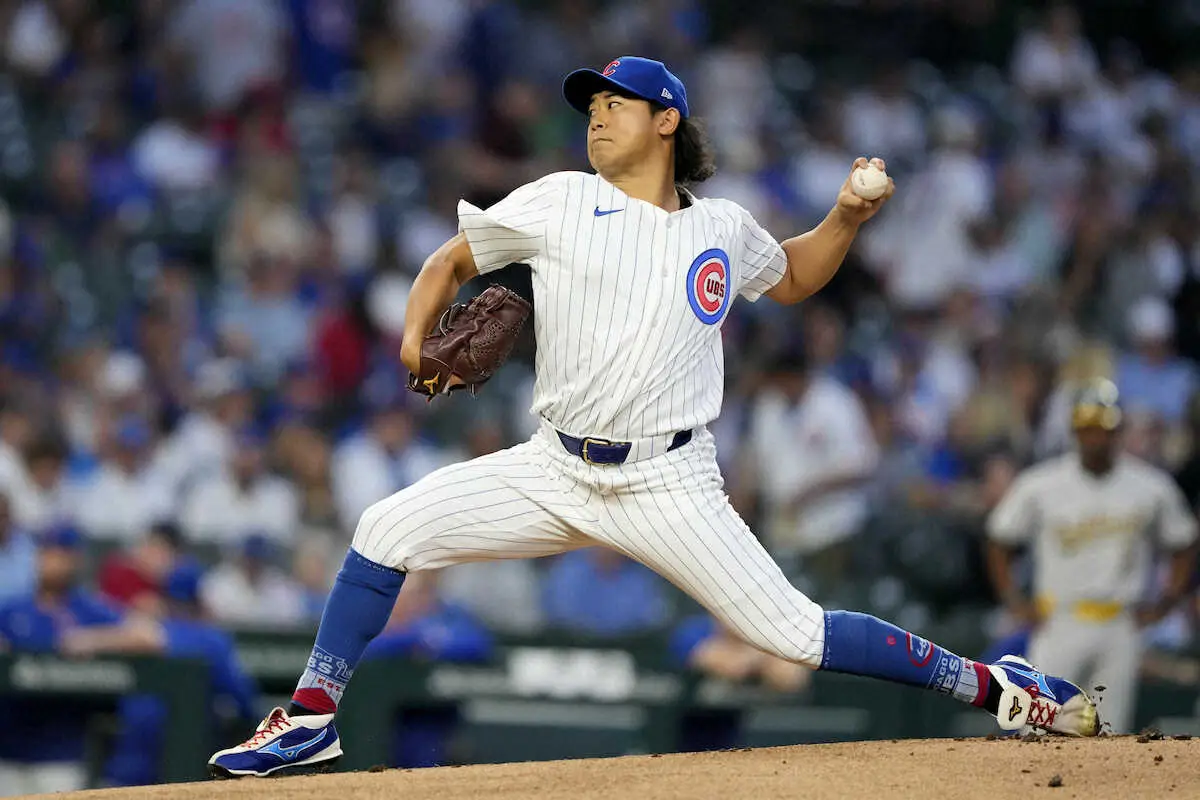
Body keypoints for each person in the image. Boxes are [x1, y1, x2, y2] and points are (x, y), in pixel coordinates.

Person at [209, 55, 1099, 779]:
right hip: (553, 468)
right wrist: (412, 341)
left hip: (669, 481)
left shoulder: (721, 227)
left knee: (796, 634)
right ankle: (312, 716)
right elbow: (449, 261)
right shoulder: (559, 199)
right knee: (383, 528)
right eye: (591, 107)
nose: (596, 119)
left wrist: (845, 215)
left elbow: (793, 276)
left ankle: (998, 687)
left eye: (616, 105)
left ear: (666, 119)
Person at [986, 379, 1198, 733]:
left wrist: (1168, 601)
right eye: (1088, 429)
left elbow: (1185, 542)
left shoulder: (1150, 486)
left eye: (1103, 429)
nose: (1096, 438)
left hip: (1120, 622)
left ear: (1118, 431)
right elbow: (999, 538)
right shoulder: (1042, 484)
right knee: (1039, 728)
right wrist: (1012, 598)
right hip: (1060, 620)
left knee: (1109, 732)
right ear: (1075, 431)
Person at [60, 561, 259, 787]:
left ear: (163, 599)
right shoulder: (209, 639)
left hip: (136, 760)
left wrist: (87, 640)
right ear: (199, 600)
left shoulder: (145, 631)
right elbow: (244, 700)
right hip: (184, 763)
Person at [0, 524, 123, 795]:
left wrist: (94, 639)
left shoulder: (87, 609)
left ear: (75, 560)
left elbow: (145, 635)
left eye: (60, 554)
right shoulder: (13, 607)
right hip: (8, 749)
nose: (51, 561)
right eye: (46, 553)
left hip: (60, 752)